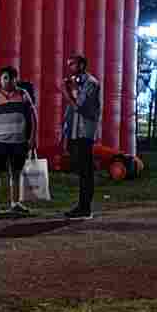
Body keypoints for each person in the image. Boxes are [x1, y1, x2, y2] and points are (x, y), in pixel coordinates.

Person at [61, 53, 101, 219]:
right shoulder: (76, 82)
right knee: (81, 168)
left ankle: (85, 208)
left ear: (82, 65)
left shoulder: (91, 83)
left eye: (73, 64)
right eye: (69, 64)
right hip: (75, 131)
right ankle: (82, 205)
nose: (69, 67)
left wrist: (66, 92)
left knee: (86, 170)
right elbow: (71, 111)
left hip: (85, 132)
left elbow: (79, 106)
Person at [0, 65, 37, 214]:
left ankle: (15, 203)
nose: (8, 81)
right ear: (0, 80)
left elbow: (33, 117)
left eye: (11, 78)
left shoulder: (23, 94)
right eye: (5, 78)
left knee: (16, 173)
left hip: (19, 142)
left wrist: (32, 138)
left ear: (16, 80)